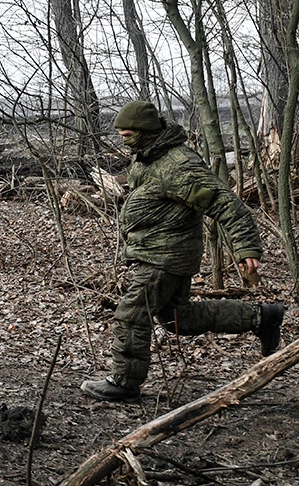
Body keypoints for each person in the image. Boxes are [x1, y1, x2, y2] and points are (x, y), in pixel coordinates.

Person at [80, 100, 286, 402]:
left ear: (147, 131)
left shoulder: (179, 165)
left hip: (166, 256)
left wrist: (246, 248)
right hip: (158, 252)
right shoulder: (148, 157)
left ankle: (124, 383)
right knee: (179, 318)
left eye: (128, 133)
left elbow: (226, 204)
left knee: (131, 313)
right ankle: (261, 317)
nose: (123, 136)